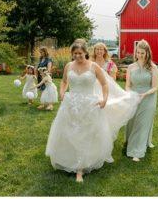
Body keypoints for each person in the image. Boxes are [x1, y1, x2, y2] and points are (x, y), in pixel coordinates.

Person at [45, 41, 114, 182]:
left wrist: (105, 99)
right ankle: (69, 159)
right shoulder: (69, 66)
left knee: (85, 135)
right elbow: (64, 82)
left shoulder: (93, 66)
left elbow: (105, 84)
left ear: (85, 53)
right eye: (75, 53)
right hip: (71, 104)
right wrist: (62, 92)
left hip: (89, 105)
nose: (77, 56)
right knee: (69, 133)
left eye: (80, 53)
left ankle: (80, 169)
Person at [125, 40, 158, 161]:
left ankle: (137, 151)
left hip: (148, 97)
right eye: (138, 52)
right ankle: (132, 141)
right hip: (134, 96)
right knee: (133, 121)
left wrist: (144, 94)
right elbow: (127, 85)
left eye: (142, 53)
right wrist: (131, 93)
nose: (139, 55)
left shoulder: (153, 67)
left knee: (142, 123)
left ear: (147, 53)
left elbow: (155, 87)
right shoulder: (130, 67)